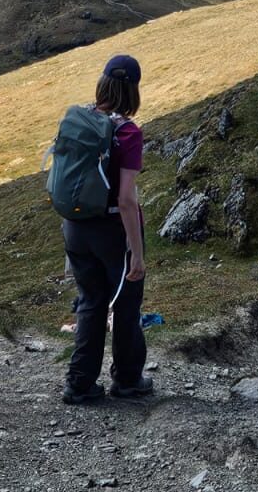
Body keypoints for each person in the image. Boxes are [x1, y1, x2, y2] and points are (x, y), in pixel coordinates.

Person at [61, 54, 152, 405]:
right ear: (133, 91)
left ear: (102, 84)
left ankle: (80, 384)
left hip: (75, 226)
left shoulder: (78, 119)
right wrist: (137, 253)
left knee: (90, 301)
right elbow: (126, 199)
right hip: (112, 229)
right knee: (126, 304)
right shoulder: (127, 132)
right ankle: (128, 380)